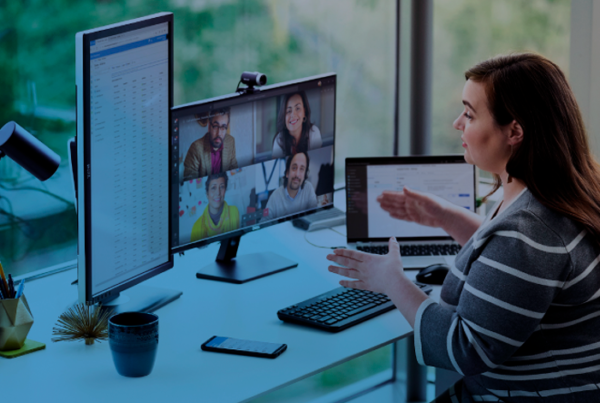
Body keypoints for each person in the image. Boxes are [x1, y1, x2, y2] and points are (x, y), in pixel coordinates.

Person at [327, 53, 600, 402]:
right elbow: (518, 272)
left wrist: (391, 281)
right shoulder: (564, 191)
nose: (458, 123)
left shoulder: (530, 232)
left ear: (515, 131)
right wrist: (447, 217)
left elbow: (464, 349)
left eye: (470, 114)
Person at [183, 108, 238, 180]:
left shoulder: (230, 141)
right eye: (215, 126)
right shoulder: (195, 148)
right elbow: (190, 181)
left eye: (223, 127)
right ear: (209, 126)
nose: (219, 133)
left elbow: (234, 171)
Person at [265, 151, 317, 219]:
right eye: (294, 168)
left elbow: (315, 214)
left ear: (304, 175)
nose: (297, 174)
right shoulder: (275, 197)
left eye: (301, 169)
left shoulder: (308, 188)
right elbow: (264, 222)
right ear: (287, 173)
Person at [272, 91, 322, 158]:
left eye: (297, 108)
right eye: (289, 111)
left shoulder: (314, 132)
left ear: (304, 112)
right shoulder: (279, 140)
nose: (293, 115)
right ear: (284, 116)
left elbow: (318, 161)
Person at [191, 172, 239, 242]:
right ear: (207, 194)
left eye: (222, 187)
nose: (218, 192)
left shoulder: (234, 211)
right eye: (213, 188)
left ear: (225, 191)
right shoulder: (196, 227)